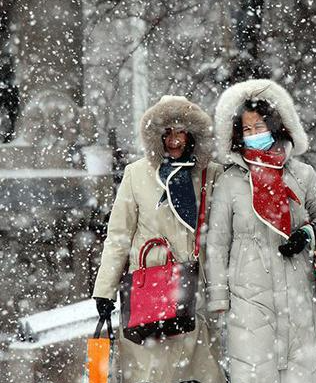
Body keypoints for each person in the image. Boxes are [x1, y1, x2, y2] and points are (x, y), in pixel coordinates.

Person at [205, 79, 316, 383]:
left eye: (260, 127)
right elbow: (217, 242)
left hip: (299, 290)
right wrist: (218, 296)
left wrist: (307, 234)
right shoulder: (231, 182)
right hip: (248, 296)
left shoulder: (302, 174)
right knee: (254, 373)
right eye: (247, 130)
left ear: (275, 126)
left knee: (304, 371)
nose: (254, 135)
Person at [92, 96, 225, 383]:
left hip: (194, 291)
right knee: (150, 373)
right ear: (156, 136)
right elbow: (118, 236)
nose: (174, 141)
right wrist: (104, 290)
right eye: (167, 133)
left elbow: (225, 229)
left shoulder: (210, 174)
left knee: (200, 371)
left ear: (192, 134)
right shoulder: (137, 174)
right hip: (148, 293)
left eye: (181, 132)